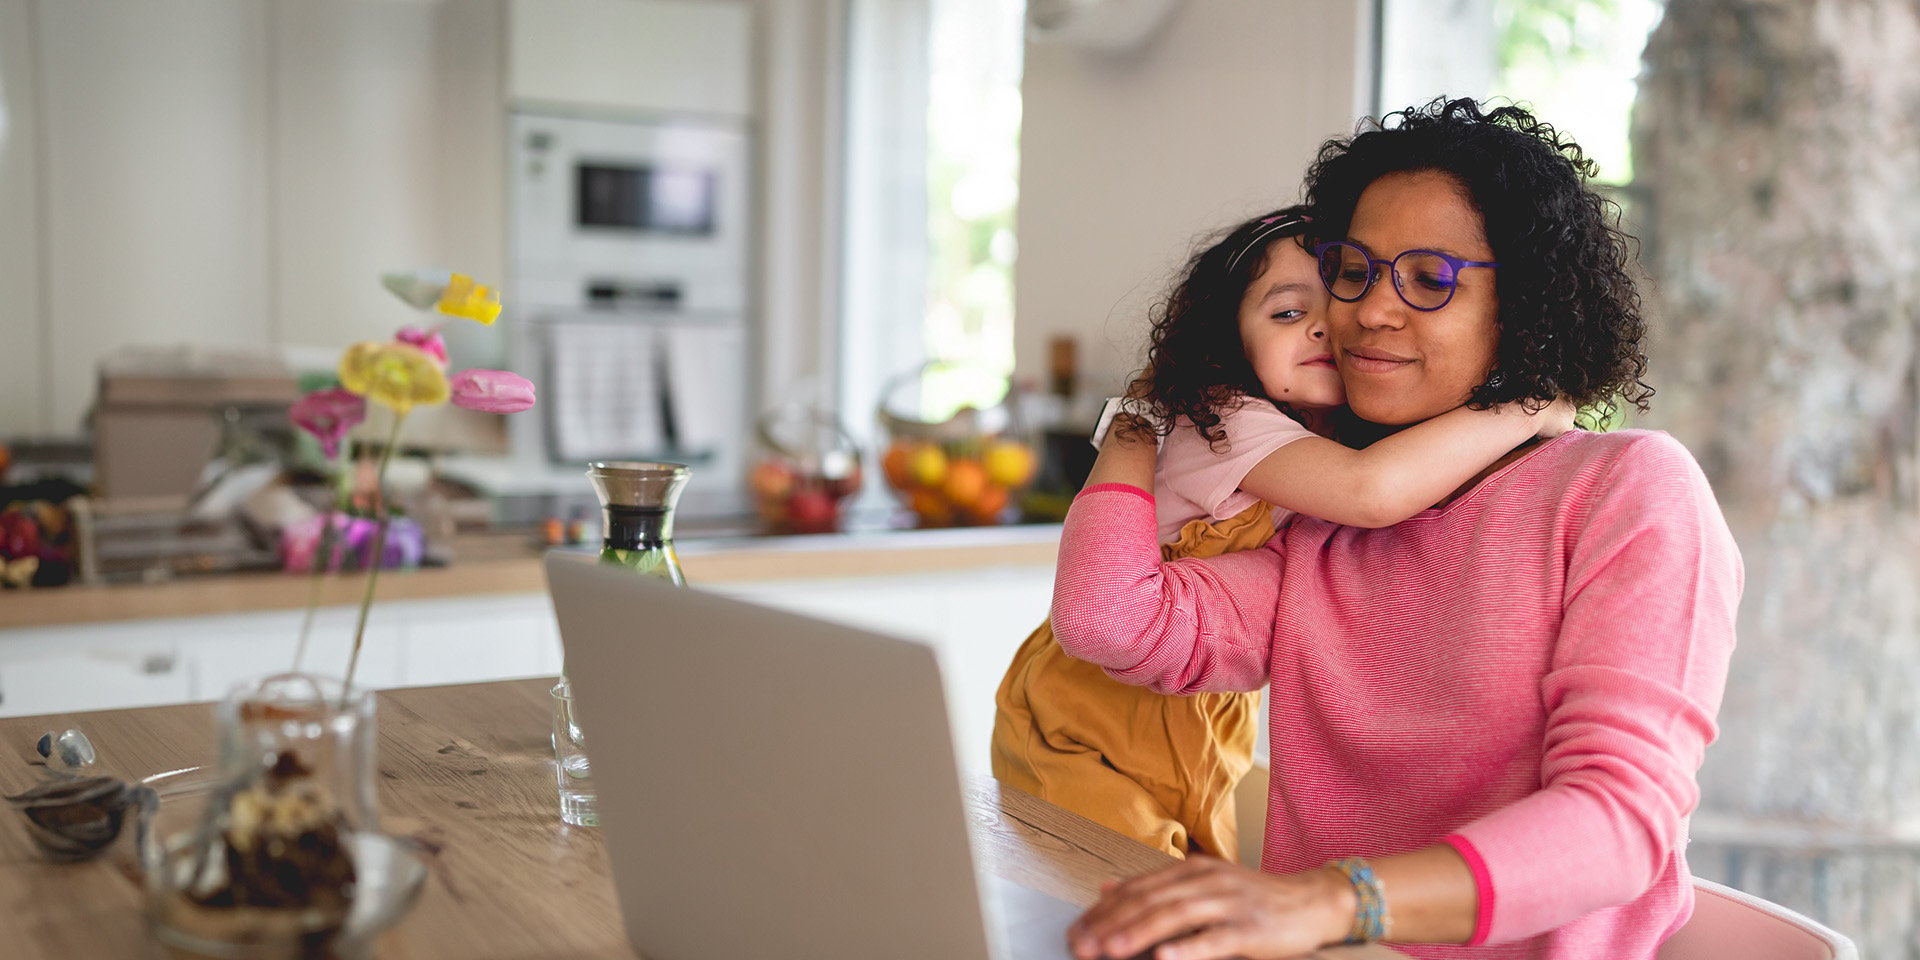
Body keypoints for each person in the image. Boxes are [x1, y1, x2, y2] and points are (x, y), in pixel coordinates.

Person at [1054, 97, 1741, 960]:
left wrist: (1332, 904)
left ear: (1523, 305)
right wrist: (1139, 417)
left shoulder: (1626, 487)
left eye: (1428, 279)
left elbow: (1619, 824)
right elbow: (1110, 620)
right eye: (1354, 270)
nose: (1369, 312)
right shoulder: (1322, 519)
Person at [991, 207, 1572, 862]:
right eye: (1288, 314)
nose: (1325, 325)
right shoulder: (1223, 417)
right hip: (1083, 728)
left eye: (1338, 304)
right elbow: (1370, 492)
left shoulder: (1312, 436)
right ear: (1230, 343)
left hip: (1199, 729)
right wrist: (1526, 406)